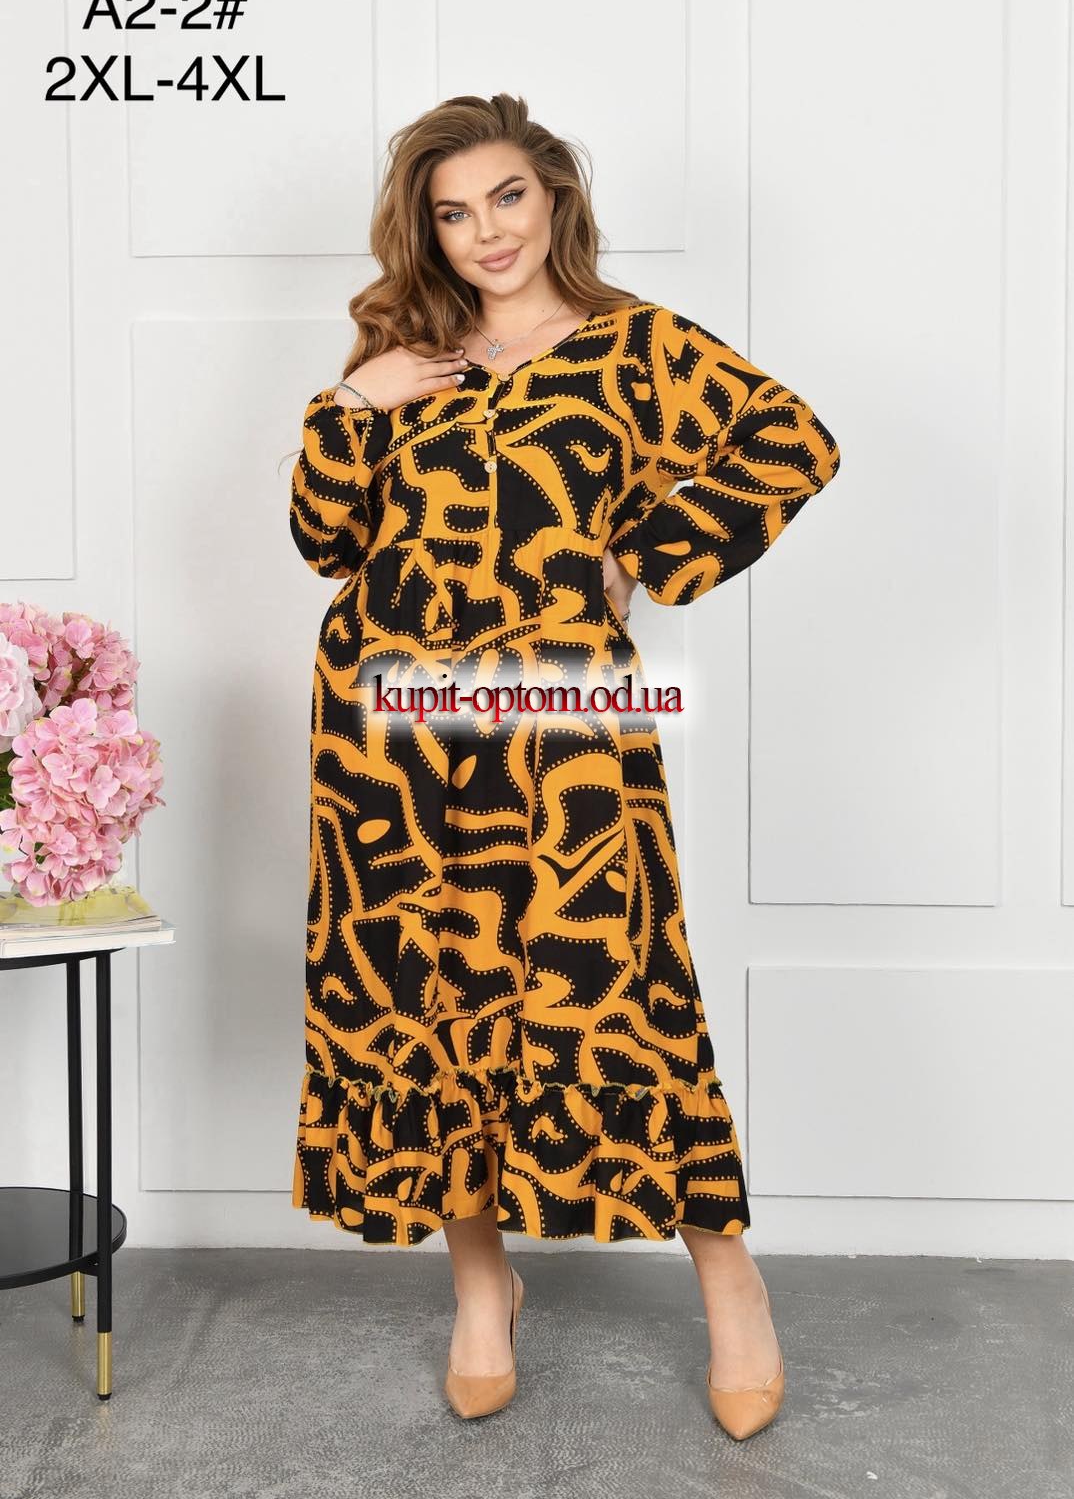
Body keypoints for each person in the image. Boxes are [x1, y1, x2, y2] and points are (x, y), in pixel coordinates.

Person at [286, 92, 840, 1436]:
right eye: (453, 213)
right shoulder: (405, 355)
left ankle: (730, 1283)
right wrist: (351, 402)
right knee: (429, 995)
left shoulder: (635, 347)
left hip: (561, 730)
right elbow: (323, 542)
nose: (485, 232)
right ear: (427, 230)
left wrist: (649, 555)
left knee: (624, 991)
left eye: (507, 198)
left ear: (554, 200)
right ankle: (482, 1286)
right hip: (388, 733)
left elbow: (793, 441)